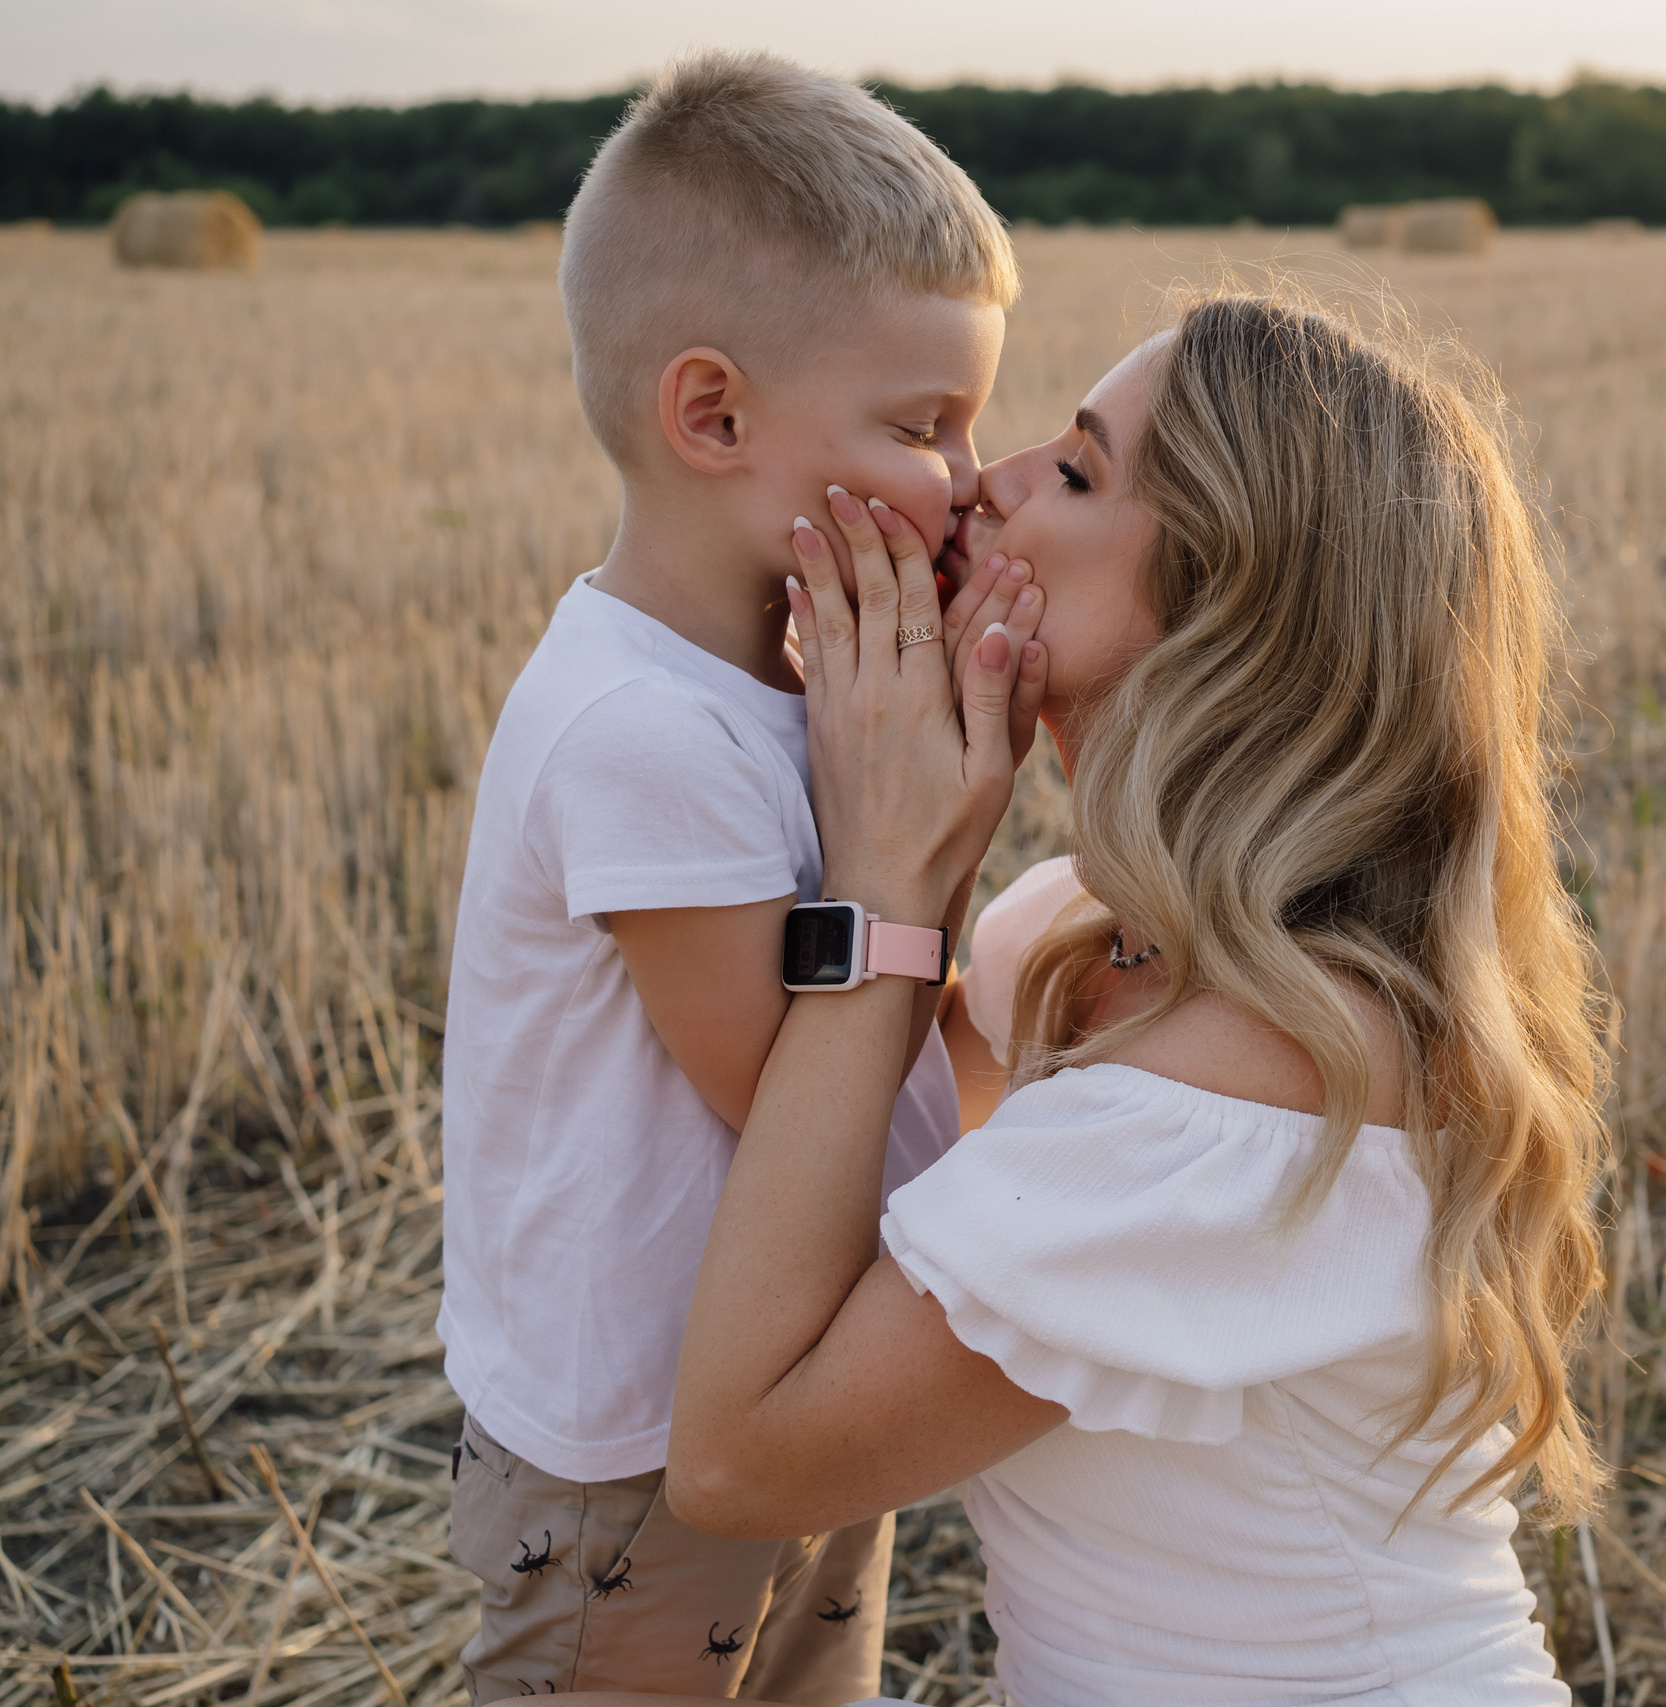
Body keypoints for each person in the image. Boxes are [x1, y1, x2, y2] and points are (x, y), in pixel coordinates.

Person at [642, 291, 1613, 1705]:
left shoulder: (1244, 1090)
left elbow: (743, 1458)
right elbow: (855, 1158)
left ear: (1228, 615)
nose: (990, 482)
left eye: (1081, 471)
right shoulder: (1085, 943)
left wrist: (893, 893)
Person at [435, 51, 1045, 1704]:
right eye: (926, 424)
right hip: (630, 1468)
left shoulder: (779, 694)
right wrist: (912, 840)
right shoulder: (647, 734)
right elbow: (805, 1107)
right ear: (713, 416)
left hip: (783, 1398)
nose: (975, 476)